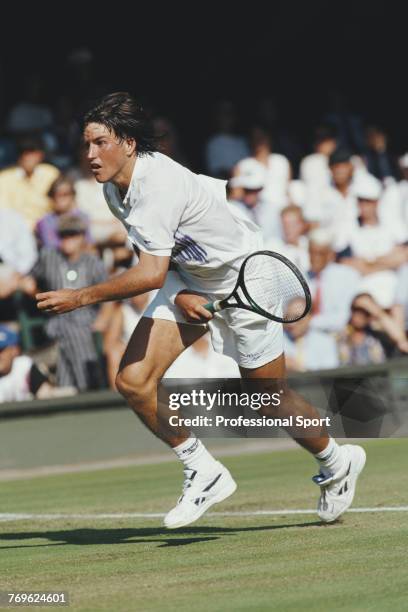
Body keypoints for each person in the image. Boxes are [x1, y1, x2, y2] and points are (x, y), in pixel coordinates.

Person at [36, 92, 366, 529]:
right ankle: (203, 469)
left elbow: (149, 274)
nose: (90, 154)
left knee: (267, 398)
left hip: (246, 275)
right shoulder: (116, 187)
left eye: (100, 143)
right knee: (133, 381)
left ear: (129, 144)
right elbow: (158, 259)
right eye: (87, 144)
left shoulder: (158, 185)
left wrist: (80, 297)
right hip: (189, 275)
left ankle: (336, 462)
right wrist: (182, 294)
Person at [22, 215, 110, 391]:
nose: (67, 239)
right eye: (63, 234)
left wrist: (104, 318)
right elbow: (27, 282)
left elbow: (108, 294)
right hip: (56, 320)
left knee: (73, 335)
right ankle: (85, 386)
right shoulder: (49, 256)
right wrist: (43, 298)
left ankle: (70, 388)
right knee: (67, 331)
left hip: (85, 320)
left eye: (72, 234)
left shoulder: (92, 262)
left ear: (82, 236)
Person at [0, 135, 59, 229]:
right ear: (19, 156)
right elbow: (4, 212)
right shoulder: (4, 178)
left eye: (33, 153)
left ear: (41, 155)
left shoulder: (51, 173)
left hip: (47, 228)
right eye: (26, 154)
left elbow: (58, 204)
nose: (29, 158)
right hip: (16, 229)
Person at [35, 175, 91, 249]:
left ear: (73, 196)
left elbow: (89, 244)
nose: (60, 199)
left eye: (65, 194)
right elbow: (50, 246)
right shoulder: (44, 222)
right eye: (56, 195)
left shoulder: (83, 217)